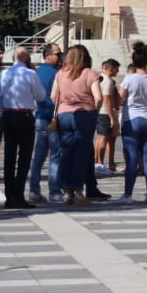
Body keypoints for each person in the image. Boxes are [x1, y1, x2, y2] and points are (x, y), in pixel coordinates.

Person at [52, 44, 103, 206]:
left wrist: (62, 106)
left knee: (66, 152)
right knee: (81, 154)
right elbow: (99, 97)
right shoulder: (89, 74)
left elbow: (53, 95)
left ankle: (66, 192)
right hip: (85, 114)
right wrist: (95, 110)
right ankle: (79, 191)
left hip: (64, 114)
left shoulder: (61, 74)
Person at [0, 45, 47, 209]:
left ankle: (9, 196)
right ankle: (19, 195)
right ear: (26, 58)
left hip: (8, 115)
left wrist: (0, 114)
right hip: (24, 116)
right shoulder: (31, 74)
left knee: (9, 157)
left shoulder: (4, 73)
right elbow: (41, 96)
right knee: (24, 158)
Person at [117, 42, 147, 204]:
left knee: (132, 159)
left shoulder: (129, 79)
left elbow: (121, 99)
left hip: (132, 118)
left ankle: (128, 195)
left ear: (133, 62)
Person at [29, 45, 62, 203]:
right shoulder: (57, 73)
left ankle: (34, 191)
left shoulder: (37, 72)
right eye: (58, 54)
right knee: (55, 156)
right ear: (48, 55)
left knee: (39, 156)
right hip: (52, 117)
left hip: (40, 116)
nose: (60, 56)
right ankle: (54, 191)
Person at [95, 58, 122, 175]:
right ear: (110, 69)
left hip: (102, 112)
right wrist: (112, 117)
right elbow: (106, 98)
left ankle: (106, 163)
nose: (117, 72)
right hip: (105, 113)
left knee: (105, 138)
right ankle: (99, 164)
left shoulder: (101, 79)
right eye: (116, 69)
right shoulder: (106, 81)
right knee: (103, 139)